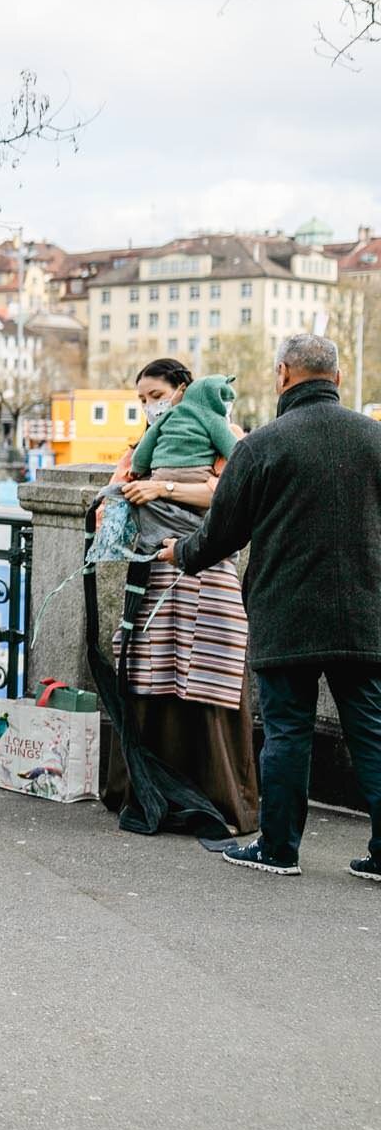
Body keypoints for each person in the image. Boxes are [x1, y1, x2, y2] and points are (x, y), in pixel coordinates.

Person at [162, 335, 381, 881]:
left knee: (286, 733)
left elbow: (220, 534)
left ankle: (279, 849)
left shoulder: (262, 445)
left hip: (287, 613)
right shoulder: (375, 440)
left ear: (283, 374)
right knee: (373, 733)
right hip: (365, 612)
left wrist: (178, 552)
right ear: (337, 375)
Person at [105, 358, 256, 836]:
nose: (149, 406)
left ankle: (215, 796)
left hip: (206, 569)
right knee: (151, 675)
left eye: (155, 395)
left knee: (211, 671)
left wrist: (163, 487)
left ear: (182, 389)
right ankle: (151, 788)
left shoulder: (222, 431)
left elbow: (233, 490)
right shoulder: (141, 446)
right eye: (141, 400)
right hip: (152, 571)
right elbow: (118, 488)